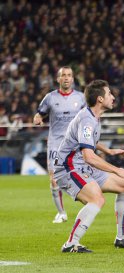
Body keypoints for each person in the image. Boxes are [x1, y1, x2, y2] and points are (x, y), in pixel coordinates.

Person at [54, 80, 124, 253]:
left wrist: (108, 150)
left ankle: (123, 237)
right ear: (99, 99)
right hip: (68, 168)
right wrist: (116, 168)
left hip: (81, 166)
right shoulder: (88, 120)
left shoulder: (92, 117)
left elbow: (88, 141)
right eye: (109, 93)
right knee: (97, 199)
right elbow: (89, 156)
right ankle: (70, 244)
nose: (113, 97)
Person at [33, 66, 86, 224]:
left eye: (69, 75)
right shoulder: (50, 98)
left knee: (82, 174)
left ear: (73, 78)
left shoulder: (81, 98)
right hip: (56, 143)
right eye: (63, 75)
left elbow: (89, 116)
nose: (66, 78)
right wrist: (37, 118)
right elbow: (39, 113)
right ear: (58, 79)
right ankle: (61, 213)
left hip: (75, 143)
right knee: (54, 179)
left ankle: (90, 201)